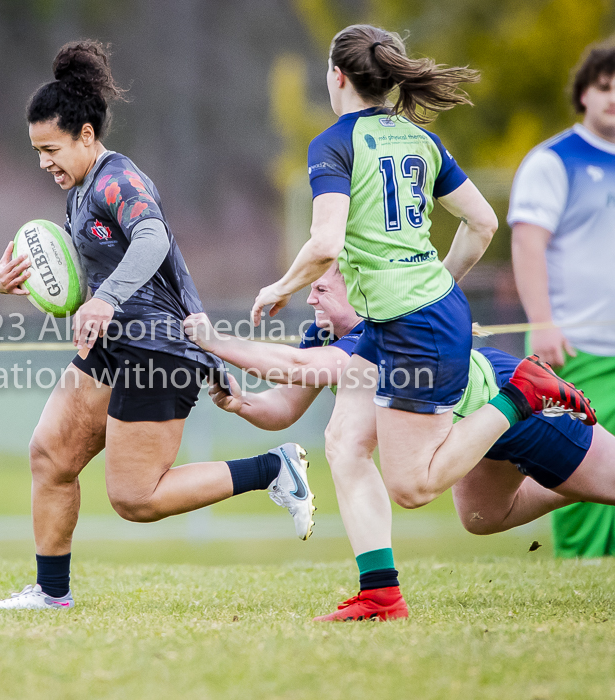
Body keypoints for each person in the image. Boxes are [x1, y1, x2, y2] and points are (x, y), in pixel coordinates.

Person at [249, 24, 595, 621]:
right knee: (344, 443)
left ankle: (521, 395)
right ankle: (380, 593)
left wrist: (279, 287)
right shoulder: (417, 139)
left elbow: (326, 241)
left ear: (337, 76)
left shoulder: (334, 143)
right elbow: (484, 222)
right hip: (410, 317)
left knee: (413, 487)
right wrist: (440, 283)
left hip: (413, 324)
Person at [0, 40, 312, 610]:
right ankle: (50, 593)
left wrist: (105, 300)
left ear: (86, 134)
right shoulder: (81, 191)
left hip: (158, 348)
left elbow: (153, 238)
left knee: (135, 498)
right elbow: (87, 287)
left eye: (51, 148)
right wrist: (18, 283)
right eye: (36, 150)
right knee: (50, 456)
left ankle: (273, 468)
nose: (44, 162)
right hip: (115, 343)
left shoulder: (117, 179)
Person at [187, 266, 615, 579]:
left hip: (524, 405)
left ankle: (581, 474)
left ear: (357, 288)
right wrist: (243, 404)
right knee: (482, 517)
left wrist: (215, 341)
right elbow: (286, 406)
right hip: (476, 434)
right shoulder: (326, 334)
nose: (311, 299)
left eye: (320, 289)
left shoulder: (376, 331)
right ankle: (575, 485)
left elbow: (299, 366)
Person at [509, 40, 615, 559]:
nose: (613, 96)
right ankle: (584, 567)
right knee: (582, 468)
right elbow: (528, 243)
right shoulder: (553, 161)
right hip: (574, 349)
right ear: (583, 94)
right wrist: (543, 322)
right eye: (603, 86)